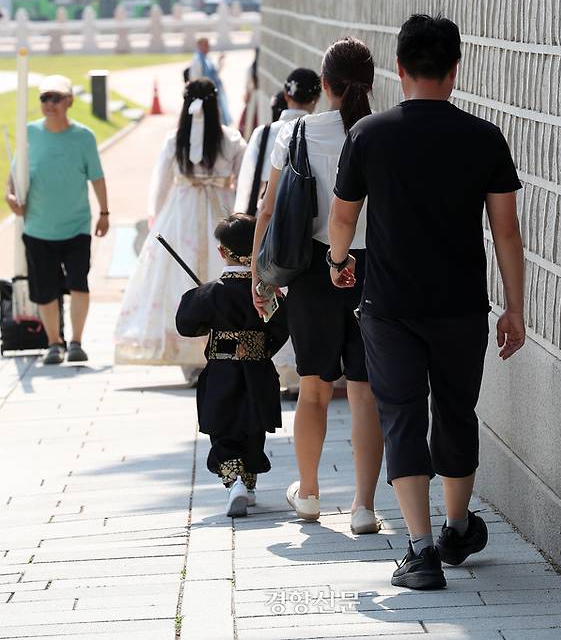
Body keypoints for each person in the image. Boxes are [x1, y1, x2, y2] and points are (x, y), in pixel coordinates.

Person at [328, 14, 525, 591]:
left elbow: (343, 216)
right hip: (463, 304)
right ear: (455, 69)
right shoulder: (483, 137)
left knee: (403, 415)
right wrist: (514, 306)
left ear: (399, 68)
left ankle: (420, 549)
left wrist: (339, 264)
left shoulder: (369, 134)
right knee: (457, 411)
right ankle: (458, 527)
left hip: (389, 305)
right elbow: (506, 231)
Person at [252, 38, 384, 535]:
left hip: (312, 270)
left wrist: (259, 276)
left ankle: (308, 493)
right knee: (366, 392)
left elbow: (268, 208)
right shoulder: (380, 132)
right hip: (373, 269)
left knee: (313, 388)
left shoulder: (298, 132)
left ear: (324, 85)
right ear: (370, 83)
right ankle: (364, 506)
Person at [114, 79, 246, 379]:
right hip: (220, 208)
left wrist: (155, 219)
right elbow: (244, 182)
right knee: (221, 274)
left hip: (181, 211)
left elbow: (160, 186)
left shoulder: (175, 141)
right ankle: (224, 347)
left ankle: (188, 356)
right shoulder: (231, 140)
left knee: (178, 278)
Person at [176, 214, 289, 517]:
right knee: (253, 430)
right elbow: (281, 329)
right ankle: (249, 485)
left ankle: (234, 483)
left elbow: (186, 324)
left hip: (222, 372)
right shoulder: (267, 294)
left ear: (222, 252)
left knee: (224, 430)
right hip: (258, 372)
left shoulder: (211, 293)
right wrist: (259, 350)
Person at [5, 74, 109, 365]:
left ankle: (76, 341)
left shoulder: (84, 137)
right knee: (45, 289)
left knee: (79, 283)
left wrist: (104, 213)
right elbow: (14, 176)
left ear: (69, 101)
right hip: (38, 227)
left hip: (76, 226)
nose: (49, 104)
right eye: (44, 98)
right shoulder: (30, 133)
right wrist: (10, 198)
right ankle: (54, 343)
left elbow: (97, 178)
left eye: (55, 98)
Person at [234, 68, 321, 216]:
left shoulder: (263, 133)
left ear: (287, 96)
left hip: (265, 217)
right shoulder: (319, 133)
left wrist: (240, 214)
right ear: (317, 99)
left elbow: (246, 183)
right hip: (306, 221)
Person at [189, 36, 231, 124]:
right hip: (204, 94)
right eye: (206, 45)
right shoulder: (197, 60)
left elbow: (214, 73)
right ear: (200, 46)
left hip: (213, 92)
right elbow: (195, 79)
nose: (208, 47)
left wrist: (220, 61)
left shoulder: (207, 59)